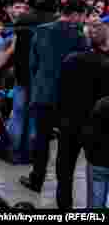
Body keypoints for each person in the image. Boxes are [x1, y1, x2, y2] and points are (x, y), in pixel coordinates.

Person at [20, 0, 87, 194]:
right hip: (67, 99)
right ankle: (62, 189)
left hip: (42, 94)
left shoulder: (40, 30)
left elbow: (32, 63)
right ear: (75, 14)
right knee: (65, 145)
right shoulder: (79, 36)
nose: (82, 20)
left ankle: (36, 179)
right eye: (82, 16)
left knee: (41, 139)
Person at [55, 21, 109, 208]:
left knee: (64, 169)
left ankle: (64, 206)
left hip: (69, 122)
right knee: (97, 172)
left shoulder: (70, 60)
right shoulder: (106, 65)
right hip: (94, 127)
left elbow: (60, 91)